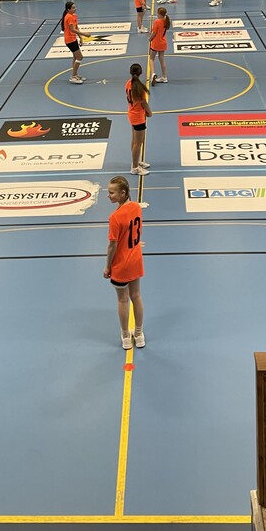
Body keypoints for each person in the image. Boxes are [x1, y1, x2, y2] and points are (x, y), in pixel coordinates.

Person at [103, 175, 146, 350]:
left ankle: (126, 336)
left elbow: (112, 246)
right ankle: (139, 334)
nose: (108, 195)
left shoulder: (115, 217)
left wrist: (107, 266)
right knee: (136, 296)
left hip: (121, 265)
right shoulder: (136, 207)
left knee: (123, 300)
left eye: (112, 192)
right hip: (136, 260)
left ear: (123, 193)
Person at [126, 63, 151, 176]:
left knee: (134, 140)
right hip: (138, 117)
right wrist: (149, 112)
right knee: (138, 143)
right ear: (141, 73)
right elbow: (144, 103)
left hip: (132, 114)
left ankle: (135, 161)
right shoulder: (139, 88)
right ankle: (135, 168)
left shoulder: (128, 83)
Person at [62, 0, 85, 83]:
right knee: (80, 57)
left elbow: (76, 27)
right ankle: (73, 76)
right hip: (69, 40)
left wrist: (80, 37)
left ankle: (75, 75)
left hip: (73, 39)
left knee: (75, 57)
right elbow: (72, 29)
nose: (75, 9)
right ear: (68, 10)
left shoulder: (74, 16)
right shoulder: (68, 17)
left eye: (75, 7)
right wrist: (85, 34)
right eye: (73, 8)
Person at [149, 5, 169, 84]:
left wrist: (150, 38)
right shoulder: (166, 21)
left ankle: (153, 74)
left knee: (151, 58)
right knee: (162, 59)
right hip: (163, 42)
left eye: (157, 13)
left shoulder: (157, 22)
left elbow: (154, 33)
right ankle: (164, 77)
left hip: (156, 43)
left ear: (160, 14)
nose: (156, 14)